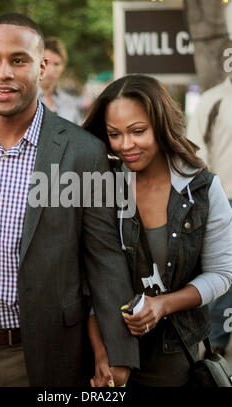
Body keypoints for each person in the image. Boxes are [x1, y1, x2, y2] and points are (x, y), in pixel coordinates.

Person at [0, 13, 139, 387]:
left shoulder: (84, 152)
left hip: (45, 356)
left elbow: (105, 256)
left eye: (19, 60)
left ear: (42, 67)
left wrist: (117, 350)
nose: (3, 73)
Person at [83, 74, 232, 387]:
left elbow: (222, 274)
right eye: (114, 134)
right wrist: (102, 353)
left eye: (138, 131)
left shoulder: (203, 189)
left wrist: (163, 304)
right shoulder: (101, 186)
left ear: (162, 126)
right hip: (105, 352)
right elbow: (87, 278)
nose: (126, 145)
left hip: (175, 356)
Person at [187, 76, 232, 356]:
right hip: (224, 198)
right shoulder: (212, 100)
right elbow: (195, 154)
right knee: (224, 274)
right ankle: (214, 341)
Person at [39, 36, 82, 124]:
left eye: (56, 64)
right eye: (46, 62)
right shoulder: (24, 101)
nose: (51, 70)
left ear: (63, 67)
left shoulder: (70, 102)